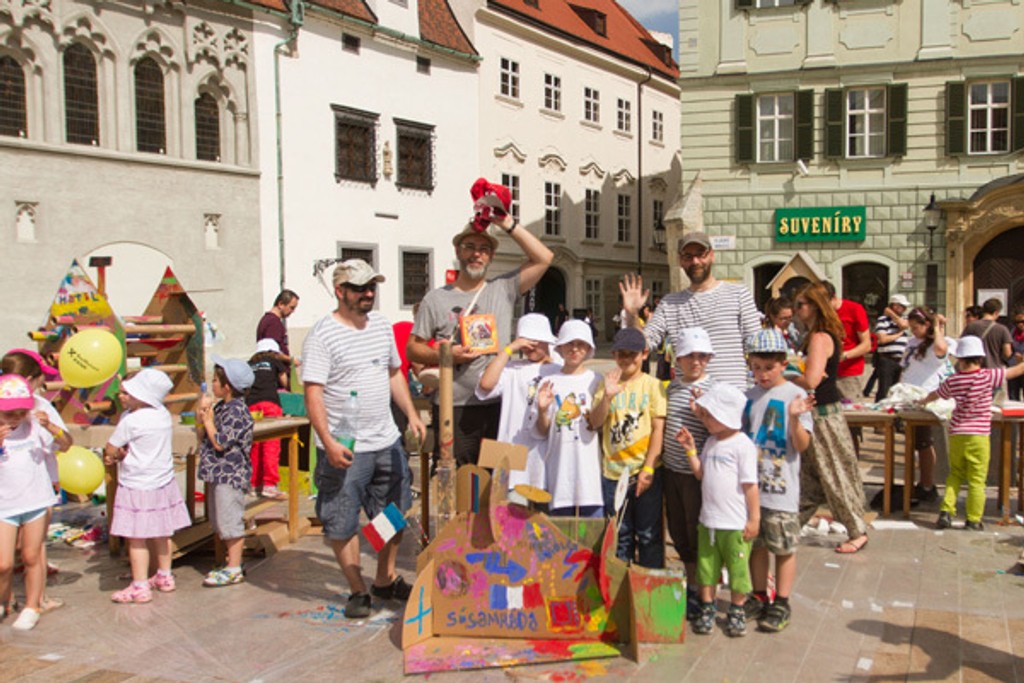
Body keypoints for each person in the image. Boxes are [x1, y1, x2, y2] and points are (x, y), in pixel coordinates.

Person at [302, 260, 427, 619]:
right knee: (342, 520)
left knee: (393, 513)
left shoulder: (382, 326)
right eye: (359, 288)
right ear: (340, 291)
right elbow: (313, 393)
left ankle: (384, 578)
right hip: (346, 446)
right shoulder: (322, 335)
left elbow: (393, 373)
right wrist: (328, 441)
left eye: (371, 287)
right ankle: (358, 589)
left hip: (386, 440)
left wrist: (412, 414)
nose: (368, 293)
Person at [408, 206, 553, 467]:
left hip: (499, 405)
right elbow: (413, 349)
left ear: (491, 256)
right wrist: (446, 355)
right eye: (470, 247)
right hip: (454, 406)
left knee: (497, 477)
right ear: (458, 251)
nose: (477, 254)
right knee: (455, 476)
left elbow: (544, 258)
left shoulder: (503, 288)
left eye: (484, 249)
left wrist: (507, 223)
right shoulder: (436, 299)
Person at [740, 329, 814, 634]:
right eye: (756, 367)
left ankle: (782, 601)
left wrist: (794, 418)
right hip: (752, 489)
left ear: (784, 364)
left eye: (768, 368)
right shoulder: (748, 397)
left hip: (781, 488)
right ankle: (759, 594)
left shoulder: (795, 396)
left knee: (783, 547)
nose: (762, 374)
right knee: (756, 545)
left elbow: (802, 445)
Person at [620, 232, 761, 390]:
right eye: (688, 256)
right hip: (685, 399)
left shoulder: (739, 295)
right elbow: (643, 344)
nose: (695, 261)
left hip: (729, 399)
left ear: (712, 256)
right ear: (681, 261)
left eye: (701, 254)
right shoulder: (669, 304)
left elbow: (757, 348)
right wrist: (632, 313)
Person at [674, 382, 760, 638]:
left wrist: (754, 518)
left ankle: (737, 609)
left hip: (735, 524)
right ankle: (708, 607)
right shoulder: (711, 442)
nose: (705, 420)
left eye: (710, 415)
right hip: (709, 521)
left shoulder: (742, 445)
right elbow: (701, 474)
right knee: (706, 569)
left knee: (738, 570)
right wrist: (690, 450)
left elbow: (750, 486)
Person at [791, 283, 869, 554]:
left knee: (834, 474)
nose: (796, 309)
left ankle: (857, 531)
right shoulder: (817, 336)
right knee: (809, 478)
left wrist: (784, 375)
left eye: (801, 304)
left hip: (822, 416)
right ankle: (789, 526)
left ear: (814, 306)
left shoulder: (819, 337)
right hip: (818, 414)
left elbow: (812, 380)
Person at [104, 368, 192, 603]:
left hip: (137, 484)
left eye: (129, 392)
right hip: (163, 482)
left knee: (137, 537)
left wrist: (115, 455)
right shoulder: (163, 415)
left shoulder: (131, 420)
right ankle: (165, 576)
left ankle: (140, 585)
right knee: (162, 533)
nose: (123, 396)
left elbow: (111, 447)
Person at [920, 336, 1024, 531]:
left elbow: (936, 394)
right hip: (979, 436)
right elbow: (1015, 371)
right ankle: (973, 519)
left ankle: (946, 512)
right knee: (977, 479)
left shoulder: (954, 380)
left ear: (960, 358)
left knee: (955, 474)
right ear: (981, 358)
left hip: (957, 434)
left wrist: (923, 401)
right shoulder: (987, 376)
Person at [2, 349, 72, 617]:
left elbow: (63, 442)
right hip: (11, 493)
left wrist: (51, 428)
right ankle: (17, 599)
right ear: (30, 379)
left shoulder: (38, 409)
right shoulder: (38, 405)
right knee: (24, 550)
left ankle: (35, 599)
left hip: (37, 486)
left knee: (31, 548)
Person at [588, 328, 667, 568]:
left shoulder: (653, 386)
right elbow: (595, 422)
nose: (626, 359)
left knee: (648, 534)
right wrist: (607, 397)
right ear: (614, 355)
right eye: (621, 354)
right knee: (620, 535)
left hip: (644, 471)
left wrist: (649, 468)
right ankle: (620, 583)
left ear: (644, 354)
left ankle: (649, 583)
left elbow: (658, 429)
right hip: (613, 473)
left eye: (632, 354)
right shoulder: (605, 384)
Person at [661, 327, 715, 617]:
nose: (696, 361)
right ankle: (692, 583)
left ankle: (703, 590)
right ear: (678, 358)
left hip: (697, 474)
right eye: (690, 356)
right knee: (679, 530)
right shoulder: (671, 388)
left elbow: (721, 430)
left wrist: (702, 414)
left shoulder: (713, 389)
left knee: (697, 533)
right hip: (672, 470)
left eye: (702, 356)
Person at [476, 313, 561, 491]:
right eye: (526, 342)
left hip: (545, 454)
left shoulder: (558, 370)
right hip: (513, 452)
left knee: (543, 503)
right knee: (513, 504)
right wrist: (509, 349)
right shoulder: (512, 369)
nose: (530, 347)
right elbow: (486, 384)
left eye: (535, 341)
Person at [535, 321, 603, 517]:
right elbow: (542, 430)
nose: (574, 349)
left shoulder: (597, 380)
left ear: (588, 348)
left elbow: (600, 424)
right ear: (560, 347)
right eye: (569, 344)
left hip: (590, 479)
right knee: (560, 533)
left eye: (580, 344)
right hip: (560, 476)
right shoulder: (549, 382)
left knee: (591, 532)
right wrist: (542, 410)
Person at [198, 357, 255, 587]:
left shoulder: (237, 411)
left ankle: (234, 567)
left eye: (215, 380)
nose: (212, 384)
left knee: (230, 521)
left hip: (230, 475)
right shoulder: (222, 407)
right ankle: (230, 563)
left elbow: (220, 442)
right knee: (220, 519)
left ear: (227, 386)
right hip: (217, 473)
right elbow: (204, 435)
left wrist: (208, 421)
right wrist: (203, 413)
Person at [900, 307, 955, 502]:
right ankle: (921, 483)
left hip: (928, 395)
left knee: (924, 442)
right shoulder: (912, 343)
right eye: (911, 328)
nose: (914, 331)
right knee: (916, 442)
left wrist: (937, 327)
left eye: (917, 327)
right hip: (910, 395)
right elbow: (905, 367)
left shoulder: (939, 343)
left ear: (926, 325)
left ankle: (927, 483)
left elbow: (940, 350)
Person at [246, 339, 289, 499]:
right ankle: (269, 485)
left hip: (251, 406)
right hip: (270, 404)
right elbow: (284, 380)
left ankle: (254, 484)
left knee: (255, 445)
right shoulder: (274, 361)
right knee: (271, 444)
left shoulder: (250, 363)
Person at [872, 294, 911, 402]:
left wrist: (891, 313)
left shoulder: (905, 319)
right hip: (887, 358)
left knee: (898, 390)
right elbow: (882, 339)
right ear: (894, 306)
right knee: (884, 389)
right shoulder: (883, 320)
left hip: (901, 359)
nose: (904, 308)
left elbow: (904, 325)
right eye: (902, 306)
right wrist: (898, 335)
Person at [961, 298, 1012, 369]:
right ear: (996, 313)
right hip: (995, 370)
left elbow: (963, 346)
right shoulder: (1002, 329)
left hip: (976, 369)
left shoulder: (971, 326)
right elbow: (1007, 353)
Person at [257, 289, 300, 366]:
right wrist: (291, 360)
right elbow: (271, 352)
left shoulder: (269, 320)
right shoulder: (273, 322)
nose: (293, 311)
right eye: (291, 307)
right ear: (281, 304)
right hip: (276, 370)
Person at [1009, 306, 1024, 401]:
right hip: (1014, 368)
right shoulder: (1011, 333)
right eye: (1017, 322)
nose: (1020, 324)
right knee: (1013, 398)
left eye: (1023, 321)